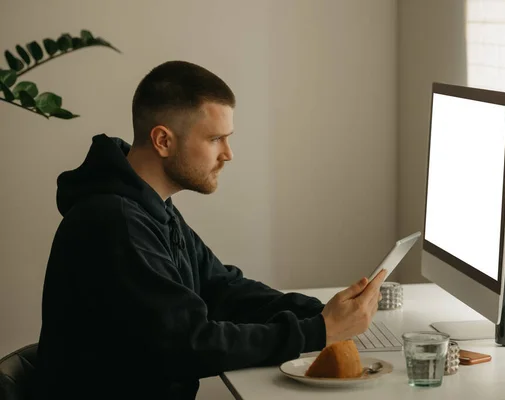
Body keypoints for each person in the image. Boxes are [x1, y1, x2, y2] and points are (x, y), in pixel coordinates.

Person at [35, 60, 386, 400]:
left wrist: (323, 312)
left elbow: (221, 288)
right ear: (163, 141)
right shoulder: (115, 223)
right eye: (216, 138)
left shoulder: (148, 207)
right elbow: (189, 343)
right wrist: (318, 331)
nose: (228, 154)